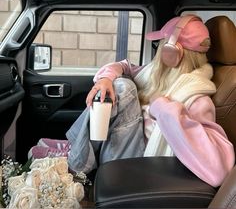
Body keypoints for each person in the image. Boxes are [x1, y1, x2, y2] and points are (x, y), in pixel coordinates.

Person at [29, 14, 235, 187]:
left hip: (139, 164)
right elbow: (124, 65)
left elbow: (218, 170)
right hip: (121, 149)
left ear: (173, 52)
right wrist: (105, 79)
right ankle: (76, 150)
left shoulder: (197, 98)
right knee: (118, 84)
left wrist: (161, 107)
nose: (157, 51)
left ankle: (75, 160)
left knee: (124, 87)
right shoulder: (152, 74)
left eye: (161, 45)